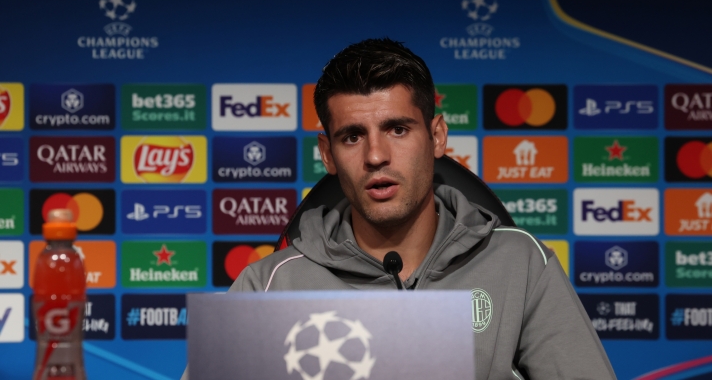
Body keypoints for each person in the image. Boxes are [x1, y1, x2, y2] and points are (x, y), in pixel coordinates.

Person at [183, 38, 616, 380]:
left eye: (397, 129)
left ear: (438, 136)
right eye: (352, 136)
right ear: (328, 155)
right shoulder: (268, 285)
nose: (375, 155)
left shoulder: (521, 264)